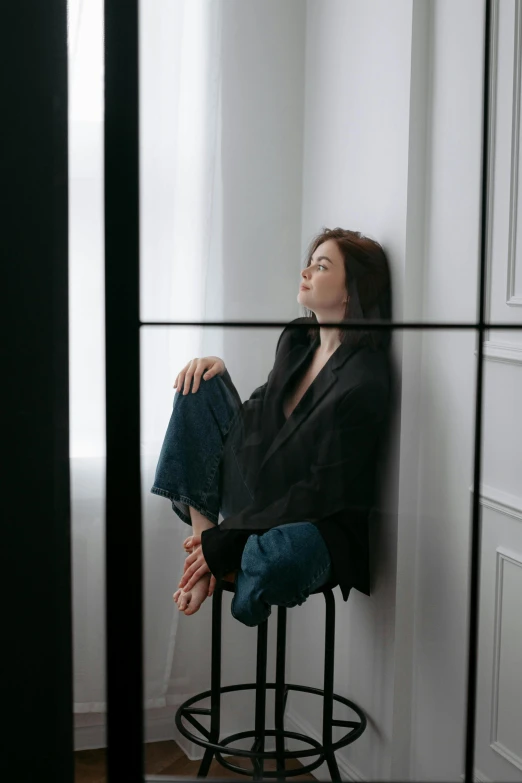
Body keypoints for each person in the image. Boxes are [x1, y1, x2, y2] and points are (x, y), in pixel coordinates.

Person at [150, 227, 392, 626]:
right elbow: (257, 426)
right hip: (260, 490)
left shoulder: (364, 379)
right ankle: (207, 547)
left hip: (311, 519)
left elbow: (318, 495)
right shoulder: (299, 338)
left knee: (284, 557)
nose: (306, 272)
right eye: (310, 262)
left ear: (351, 291)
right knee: (198, 384)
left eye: (321, 266)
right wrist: (220, 382)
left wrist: (226, 543)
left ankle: (217, 553)